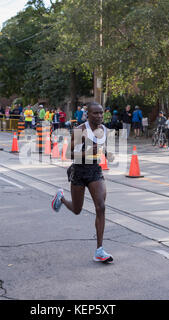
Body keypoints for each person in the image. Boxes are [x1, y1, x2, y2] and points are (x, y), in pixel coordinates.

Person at [51, 102, 114, 264]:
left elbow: (104, 147)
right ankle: (61, 199)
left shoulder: (105, 130)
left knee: (101, 207)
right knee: (77, 210)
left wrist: (108, 153)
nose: (99, 116)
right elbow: (68, 153)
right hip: (79, 171)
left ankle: (99, 250)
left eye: (101, 113)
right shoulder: (81, 130)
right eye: (95, 113)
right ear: (88, 114)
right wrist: (86, 152)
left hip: (94, 170)